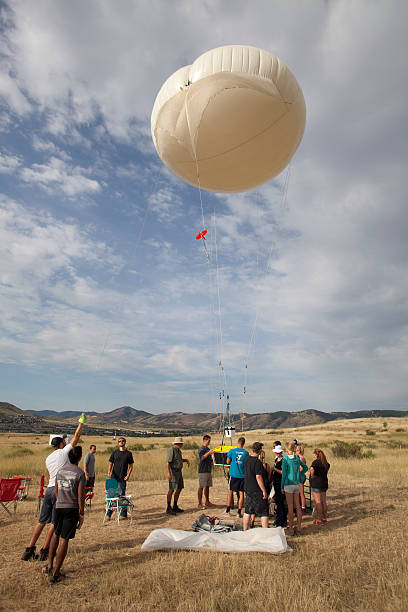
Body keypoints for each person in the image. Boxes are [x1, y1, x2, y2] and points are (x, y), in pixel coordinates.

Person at [21, 415, 86, 562]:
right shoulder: (64, 452)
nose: (66, 441)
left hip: (49, 489)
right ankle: (45, 550)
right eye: (64, 440)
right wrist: (81, 422)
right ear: (62, 443)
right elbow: (76, 436)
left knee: (41, 521)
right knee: (55, 523)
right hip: (59, 490)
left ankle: (29, 549)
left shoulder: (48, 458)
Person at [42, 446, 86, 584]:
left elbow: (56, 489)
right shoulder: (79, 474)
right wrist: (81, 512)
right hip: (71, 508)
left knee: (56, 533)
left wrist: (60, 500)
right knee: (65, 539)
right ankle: (56, 574)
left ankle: (49, 565)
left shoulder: (60, 471)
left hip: (59, 506)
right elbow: (80, 496)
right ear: (79, 458)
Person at [281, 441, 308, 536]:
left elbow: (284, 474)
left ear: (288, 449)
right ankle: (299, 526)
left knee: (290, 506)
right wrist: (299, 474)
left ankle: (291, 528)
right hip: (296, 483)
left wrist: (282, 486)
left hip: (288, 484)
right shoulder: (297, 458)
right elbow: (305, 467)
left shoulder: (285, 459)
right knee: (298, 506)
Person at [243, 441, 269, 530]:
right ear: (260, 451)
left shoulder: (246, 459)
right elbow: (258, 477)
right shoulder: (257, 462)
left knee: (248, 511)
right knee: (264, 512)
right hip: (257, 490)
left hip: (247, 488)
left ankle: (245, 530)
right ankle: (265, 531)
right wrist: (264, 490)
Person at [106, 437, 134, 519]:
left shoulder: (128, 454)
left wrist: (128, 475)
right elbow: (110, 463)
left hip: (122, 478)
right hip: (114, 477)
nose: (121, 442)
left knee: (122, 496)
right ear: (118, 443)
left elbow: (131, 466)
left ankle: (123, 514)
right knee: (112, 495)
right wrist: (109, 472)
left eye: (122, 441)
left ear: (125, 442)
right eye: (119, 441)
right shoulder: (115, 452)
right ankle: (109, 514)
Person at [224, 437, 249, 517]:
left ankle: (227, 511)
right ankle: (239, 512)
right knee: (241, 493)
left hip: (234, 474)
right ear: (243, 443)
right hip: (242, 475)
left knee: (230, 491)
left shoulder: (232, 451)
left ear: (237, 442)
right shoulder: (246, 453)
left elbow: (227, 462)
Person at [166, 437, 190, 515]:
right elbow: (168, 462)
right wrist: (169, 473)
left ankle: (175, 506)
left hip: (179, 472)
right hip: (173, 472)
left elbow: (178, 459)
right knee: (172, 489)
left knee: (179, 488)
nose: (182, 445)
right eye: (181, 443)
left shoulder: (178, 450)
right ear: (178, 443)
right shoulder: (171, 450)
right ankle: (168, 507)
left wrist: (185, 460)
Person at [310, 448, 330, 525]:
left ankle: (319, 519)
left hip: (316, 484)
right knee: (323, 502)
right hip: (324, 483)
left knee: (318, 502)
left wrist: (312, 475)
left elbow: (312, 469)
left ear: (316, 455)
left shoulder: (316, 462)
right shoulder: (325, 463)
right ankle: (324, 518)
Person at [197, 434, 215, 509]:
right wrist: (209, 453)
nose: (209, 442)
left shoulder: (207, 448)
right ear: (205, 440)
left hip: (208, 470)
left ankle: (207, 501)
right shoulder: (202, 449)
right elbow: (202, 458)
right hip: (203, 470)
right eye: (209, 441)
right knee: (201, 487)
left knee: (207, 486)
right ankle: (199, 504)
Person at [271, 444, 287, 527]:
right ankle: (282, 519)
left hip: (280, 483)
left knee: (280, 503)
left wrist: (274, 469)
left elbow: (283, 472)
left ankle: (280, 520)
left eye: (278, 453)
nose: (276, 454)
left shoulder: (283, 461)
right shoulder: (277, 459)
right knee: (279, 502)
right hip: (277, 482)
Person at [296, 444, 307, 514]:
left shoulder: (301, 458)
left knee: (301, 493)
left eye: (296, 450)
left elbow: (301, 468)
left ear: (299, 451)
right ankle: (301, 506)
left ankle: (303, 508)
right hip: (300, 475)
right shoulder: (299, 458)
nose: (295, 452)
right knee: (299, 493)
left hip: (300, 476)